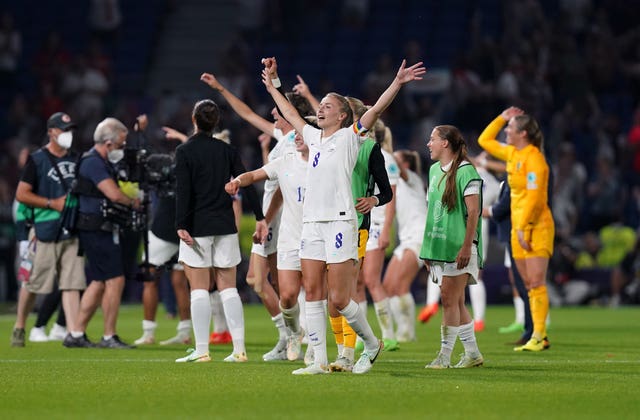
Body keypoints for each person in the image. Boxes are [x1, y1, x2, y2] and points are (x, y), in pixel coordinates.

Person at [262, 58, 426, 374]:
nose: (320, 109)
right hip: (311, 224)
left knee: (339, 298)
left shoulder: (350, 138)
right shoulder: (311, 137)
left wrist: (397, 82)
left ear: (342, 115)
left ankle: (372, 342)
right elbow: (291, 113)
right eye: (319, 105)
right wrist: (273, 85)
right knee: (312, 292)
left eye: (327, 106)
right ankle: (320, 361)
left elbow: (376, 109)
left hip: (340, 222)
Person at [200, 66, 314, 361]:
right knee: (264, 280)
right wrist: (221, 89)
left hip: (280, 216)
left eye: (279, 110)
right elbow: (248, 115)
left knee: (264, 280)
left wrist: (265, 218)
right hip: (271, 214)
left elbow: (280, 185)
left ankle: (294, 334)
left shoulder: (300, 141)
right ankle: (288, 335)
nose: (274, 115)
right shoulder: (283, 137)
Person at [174, 99, 267, 363]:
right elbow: (246, 182)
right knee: (228, 288)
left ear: (194, 120)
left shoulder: (184, 151)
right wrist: (259, 216)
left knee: (199, 289)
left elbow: (183, 191)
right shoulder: (227, 151)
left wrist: (180, 224)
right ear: (216, 123)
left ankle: (202, 350)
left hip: (197, 228)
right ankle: (239, 350)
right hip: (225, 226)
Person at [226, 116, 315, 363]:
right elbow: (264, 181)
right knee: (284, 292)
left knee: (316, 290)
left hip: (317, 234)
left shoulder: (325, 162)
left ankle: (321, 345)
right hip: (286, 232)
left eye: (301, 132)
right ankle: (291, 334)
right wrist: (238, 181)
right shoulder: (285, 156)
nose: (297, 135)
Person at [478, 106, 554, 351]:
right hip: (518, 228)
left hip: (536, 226)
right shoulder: (513, 154)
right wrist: (502, 117)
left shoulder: (535, 160)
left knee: (536, 281)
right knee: (529, 284)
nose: (506, 132)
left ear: (523, 134)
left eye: (510, 128)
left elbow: (534, 199)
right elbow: (484, 140)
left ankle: (540, 335)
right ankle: (536, 335)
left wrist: (523, 228)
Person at [11, 112, 85, 348]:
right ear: (51, 131)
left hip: (72, 228)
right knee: (33, 283)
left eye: (70, 129)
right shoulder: (37, 159)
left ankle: (73, 333)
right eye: (64, 130)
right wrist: (52, 203)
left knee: (72, 283)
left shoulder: (77, 159)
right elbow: (21, 194)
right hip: (44, 229)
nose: (68, 134)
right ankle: (20, 327)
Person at [73, 117, 140, 349]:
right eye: (120, 144)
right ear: (108, 143)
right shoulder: (93, 162)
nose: (122, 149)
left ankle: (75, 333)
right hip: (96, 226)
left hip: (96, 225)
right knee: (115, 279)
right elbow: (113, 194)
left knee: (100, 281)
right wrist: (133, 202)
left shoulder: (97, 161)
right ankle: (108, 335)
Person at [421, 125, 484, 369]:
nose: (429, 144)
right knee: (456, 302)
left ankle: (444, 356)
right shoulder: (434, 170)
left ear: (445, 143)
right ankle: (472, 353)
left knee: (448, 299)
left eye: (432, 139)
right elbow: (432, 213)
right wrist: (428, 249)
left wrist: (467, 247)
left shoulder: (467, 171)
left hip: (459, 246)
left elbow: (473, 212)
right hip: (440, 246)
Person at [383, 150, 427, 343]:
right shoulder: (396, 185)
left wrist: (385, 150)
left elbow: (397, 168)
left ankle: (407, 332)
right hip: (405, 239)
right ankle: (403, 328)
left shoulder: (413, 180)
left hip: (418, 237)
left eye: (396, 159)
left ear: (406, 165)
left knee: (401, 285)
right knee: (387, 285)